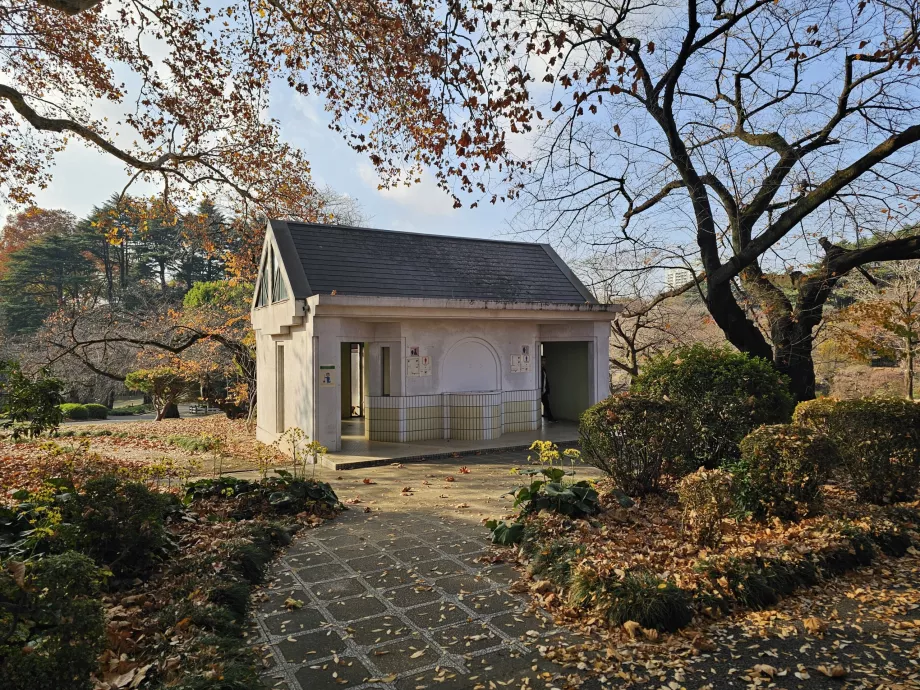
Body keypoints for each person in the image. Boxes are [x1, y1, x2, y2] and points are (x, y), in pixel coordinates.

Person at [540, 356, 555, 422]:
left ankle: (550, 418)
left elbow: (545, 381)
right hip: (540, 391)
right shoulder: (538, 370)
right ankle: (550, 418)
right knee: (545, 405)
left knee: (547, 405)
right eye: (543, 360)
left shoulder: (543, 370)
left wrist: (546, 389)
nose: (544, 362)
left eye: (545, 361)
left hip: (544, 391)